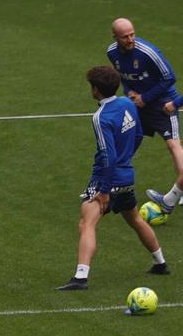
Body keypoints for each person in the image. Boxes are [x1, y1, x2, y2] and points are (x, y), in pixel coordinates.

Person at [59, 65, 168, 291]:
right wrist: (126, 157)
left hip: (105, 179)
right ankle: (160, 262)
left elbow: (107, 155)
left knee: (86, 224)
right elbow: (138, 134)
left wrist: (105, 189)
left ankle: (80, 277)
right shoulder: (128, 104)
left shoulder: (101, 117)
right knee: (135, 218)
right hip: (127, 177)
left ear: (96, 90)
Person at [105, 18, 183, 214]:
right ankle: (110, 186)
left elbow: (170, 77)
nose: (130, 39)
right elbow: (124, 75)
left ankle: (179, 190)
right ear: (115, 37)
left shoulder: (148, 52)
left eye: (132, 34)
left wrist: (146, 98)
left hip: (163, 105)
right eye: (125, 37)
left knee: (173, 144)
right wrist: (130, 91)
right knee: (127, 141)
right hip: (139, 105)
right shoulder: (112, 52)